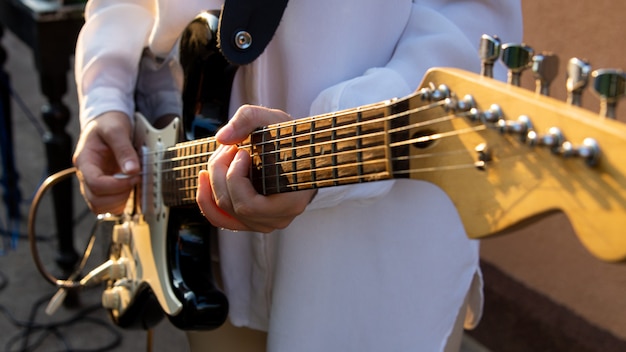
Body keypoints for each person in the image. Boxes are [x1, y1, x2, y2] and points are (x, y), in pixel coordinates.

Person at [72, 0, 523, 351]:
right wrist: (105, 99)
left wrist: (334, 138)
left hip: (372, 255)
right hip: (205, 246)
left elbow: (471, 29)